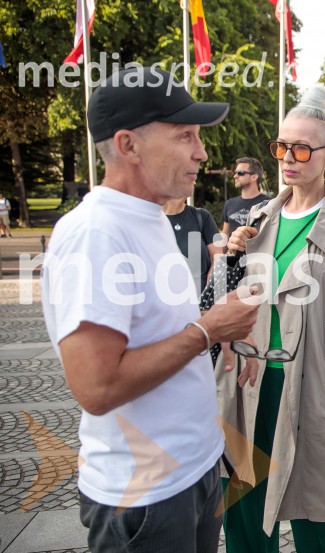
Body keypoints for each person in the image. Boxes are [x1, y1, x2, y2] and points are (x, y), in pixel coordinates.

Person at [40, 66, 260, 553]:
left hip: (194, 472)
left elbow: (162, 331)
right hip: (145, 496)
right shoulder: (96, 233)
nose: (201, 151)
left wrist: (217, 327)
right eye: (184, 136)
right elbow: (96, 389)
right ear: (127, 145)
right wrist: (207, 330)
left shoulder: (152, 217)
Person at [220, 83, 325, 552]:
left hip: (313, 391)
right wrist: (233, 260)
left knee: (322, 519)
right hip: (251, 387)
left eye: (301, 148)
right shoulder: (260, 218)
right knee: (244, 518)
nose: (288, 157)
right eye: (280, 146)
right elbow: (236, 302)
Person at [163, 197, 222, 291]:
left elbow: (219, 256)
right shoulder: (151, 221)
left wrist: (210, 286)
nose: (193, 182)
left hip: (201, 299)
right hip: (167, 299)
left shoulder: (202, 216)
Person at [221, 157, 271, 241]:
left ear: (254, 177)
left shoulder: (269, 203)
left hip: (260, 253)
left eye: (240, 173)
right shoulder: (229, 204)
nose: (235, 176)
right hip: (234, 253)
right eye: (235, 172)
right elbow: (225, 235)